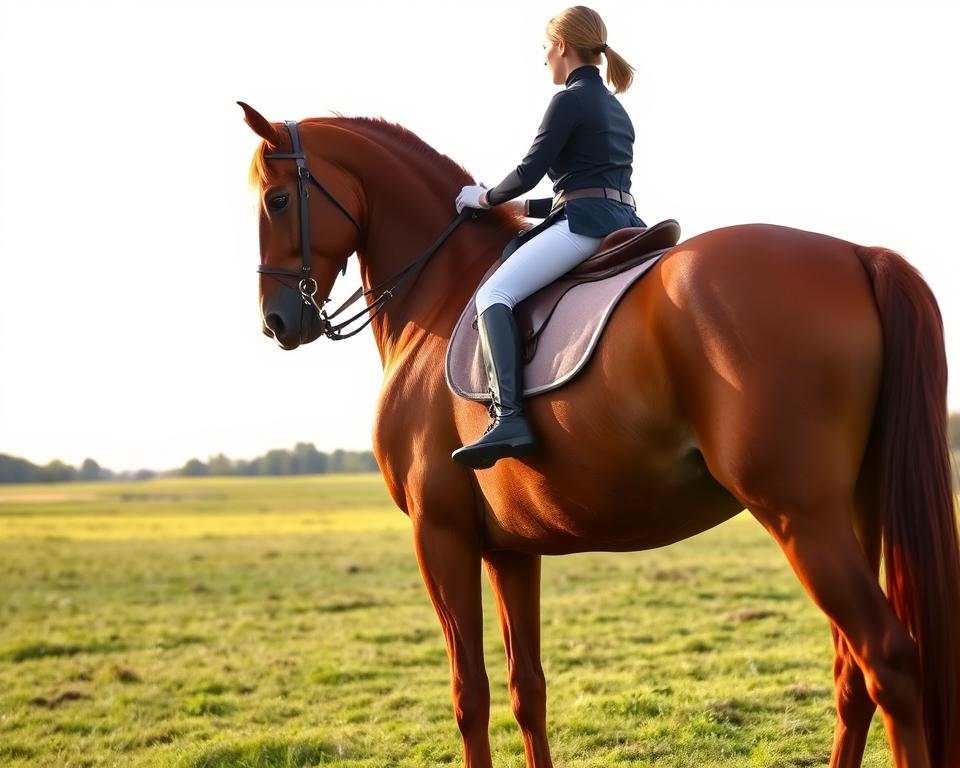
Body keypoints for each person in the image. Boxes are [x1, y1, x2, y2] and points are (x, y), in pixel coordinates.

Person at [451, 5, 646, 469]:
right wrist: (525, 210)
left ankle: (510, 417)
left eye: (545, 48)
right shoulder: (615, 107)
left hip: (586, 228)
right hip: (624, 220)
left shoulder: (568, 100)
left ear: (560, 46)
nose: (543, 59)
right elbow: (592, 181)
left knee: (493, 294)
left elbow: (529, 171)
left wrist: (486, 198)